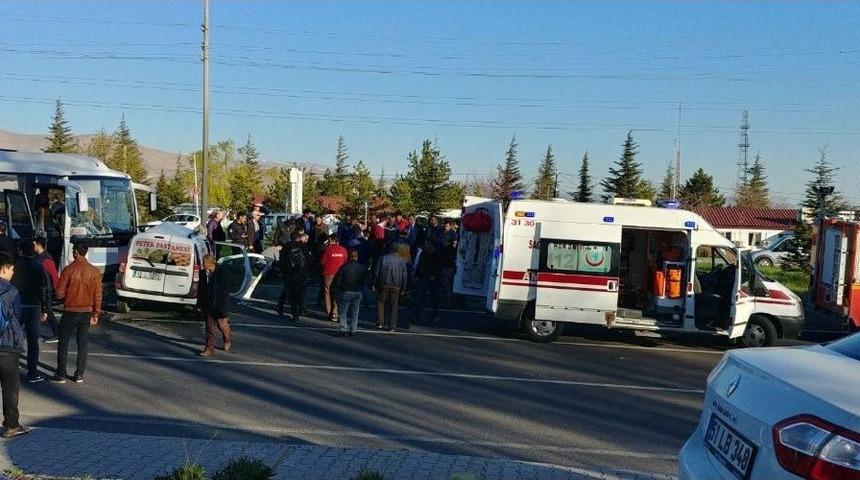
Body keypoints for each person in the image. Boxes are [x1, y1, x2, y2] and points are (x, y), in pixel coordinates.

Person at [50, 244, 102, 384]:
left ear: (76, 252)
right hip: (87, 311)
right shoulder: (95, 271)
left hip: (70, 310)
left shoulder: (68, 270)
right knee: (82, 343)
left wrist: (66, 294)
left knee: (63, 342)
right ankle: (79, 374)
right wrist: (96, 313)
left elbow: (59, 293)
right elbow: (98, 294)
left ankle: (61, 373)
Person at [0, 252, 29, 438]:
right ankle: (11, 425)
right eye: (11, 269)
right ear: (3, 269)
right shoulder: (11, 291)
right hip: (7, 345)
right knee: (10, 388)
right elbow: (17, 315)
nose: (13, 272)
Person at [11, 243, 49, 383]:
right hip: (33, 305)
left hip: (17, 304)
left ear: (20, 251)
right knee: (33, 341)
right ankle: (32, 372)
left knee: (13, 337)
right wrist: (45, 308)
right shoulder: (38, 266)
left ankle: (10, 369)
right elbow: (44, 289)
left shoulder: (14, 266)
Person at [198, 254, 232, 357]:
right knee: (209, 328)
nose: (203, 265)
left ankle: (227, 339)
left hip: (220, 303)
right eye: (203, 263)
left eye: (205, 264)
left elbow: (224, 290)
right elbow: (201, 289)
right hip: (208, 304)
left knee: (222, 325)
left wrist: (221, 305)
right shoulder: (203, 273)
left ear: (212, 263)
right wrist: (200, 304)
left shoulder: (222, 272)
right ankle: (209, 348)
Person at [331, 249, 367, 337]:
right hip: (357, 291)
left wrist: (339, 290)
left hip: (346, 290)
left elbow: (338, 281)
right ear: (357, 257)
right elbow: (365, 280)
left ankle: (343, 329)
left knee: (343, 311)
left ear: (349, 257)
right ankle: (353, 330)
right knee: (355, 311)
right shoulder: (362, 267)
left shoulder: (344, 267)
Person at [277, 232, 313, 321]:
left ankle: (293, 313)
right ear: (298, 238)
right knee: (301, 293)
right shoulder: (303, 246)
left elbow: (282, 260)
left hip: (290, 273)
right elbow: (309, 259)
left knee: (290, 293)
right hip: (302, 273)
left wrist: (283, 271)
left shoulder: (286, 246)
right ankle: (302, 309)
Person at [375, 244, 408, 332]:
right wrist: (403, 288)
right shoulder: (402, 260)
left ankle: (380, 322)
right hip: (396, 285)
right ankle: (392, 326)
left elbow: (377, 272)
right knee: (394, 306)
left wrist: (375, 283)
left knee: (380, 302)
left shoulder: (383, 258)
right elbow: (404, 275)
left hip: (384, 283)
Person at [411, 240, 444, 326]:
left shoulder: (437, 255)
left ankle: (435, 315)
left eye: (426, 244)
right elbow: (419, 265)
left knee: (434, 297)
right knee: (420, 297)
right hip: (423, 277)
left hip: (433, 278)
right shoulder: (423, 254)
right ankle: (416, 315)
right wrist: (416, 275)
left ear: (431, 245)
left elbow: (440, 267)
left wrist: (435, 275)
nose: (425, 246)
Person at [33, 237, 60, 343]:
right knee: (45, 311)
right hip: (40, 289)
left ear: (39, 245)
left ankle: (57, 333)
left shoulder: (46, 259)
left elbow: (54, 276)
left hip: (45, 290)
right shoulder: (38, 257)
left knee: (47, 310)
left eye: (34, 244)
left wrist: (56, 290)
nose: (33, 246)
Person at [320, 234, 348, 321]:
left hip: (328, 273)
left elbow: (322, 262)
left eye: (329, 240)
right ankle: (335, 313)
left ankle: (329, 313)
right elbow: (345, 261)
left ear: (333, 241)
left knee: (328, 293)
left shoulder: (328, 249)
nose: (328, 242)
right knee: (337, 294)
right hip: (339, 274)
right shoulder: (343, 250)